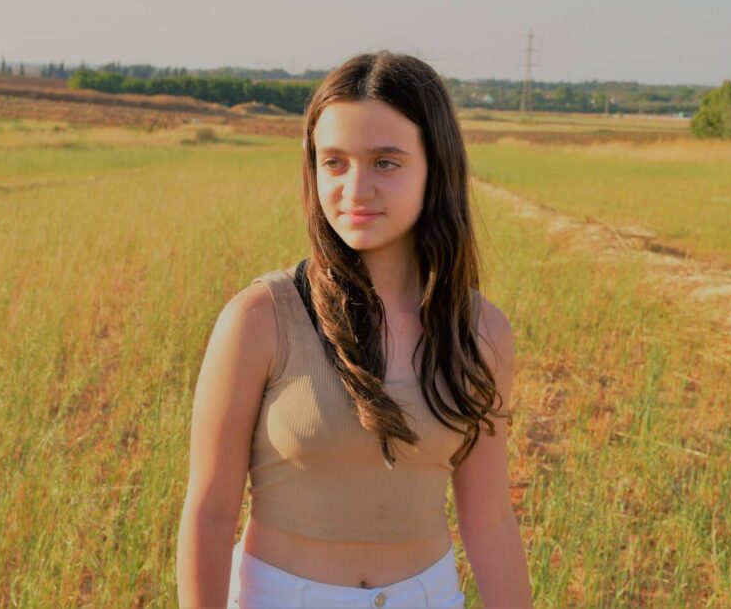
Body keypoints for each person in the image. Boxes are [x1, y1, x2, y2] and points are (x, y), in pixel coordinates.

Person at [176, 50, 534, 608]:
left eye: (385, 162)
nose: (355, 188)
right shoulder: (260, 319)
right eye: (334, 163)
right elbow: (210, 512)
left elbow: (489, 520)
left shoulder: (481, 331)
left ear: (435, 168)